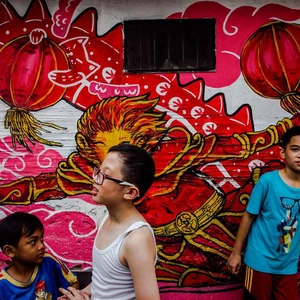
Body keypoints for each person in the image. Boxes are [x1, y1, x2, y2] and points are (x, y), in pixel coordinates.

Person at [59, 143, 160, 300]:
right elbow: (107, 284)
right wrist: (84, 293)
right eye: (98, 171)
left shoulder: (136, 239)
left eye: (105, 176)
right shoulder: (104, 220)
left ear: (130, 192)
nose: (95, 179)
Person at [227, 126, 300, 300]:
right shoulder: (268, 182)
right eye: (295, 149)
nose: (299, 155)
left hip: (288, 264)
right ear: (283, 153)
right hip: (260, 261)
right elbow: (249, 216)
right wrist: (236, 253)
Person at [0, 211, 78, 300]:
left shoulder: (48, 261)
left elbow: (73, 284)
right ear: (10, 251)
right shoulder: (2, 285)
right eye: (33, 242)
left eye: (41, 239)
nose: (41, 246)